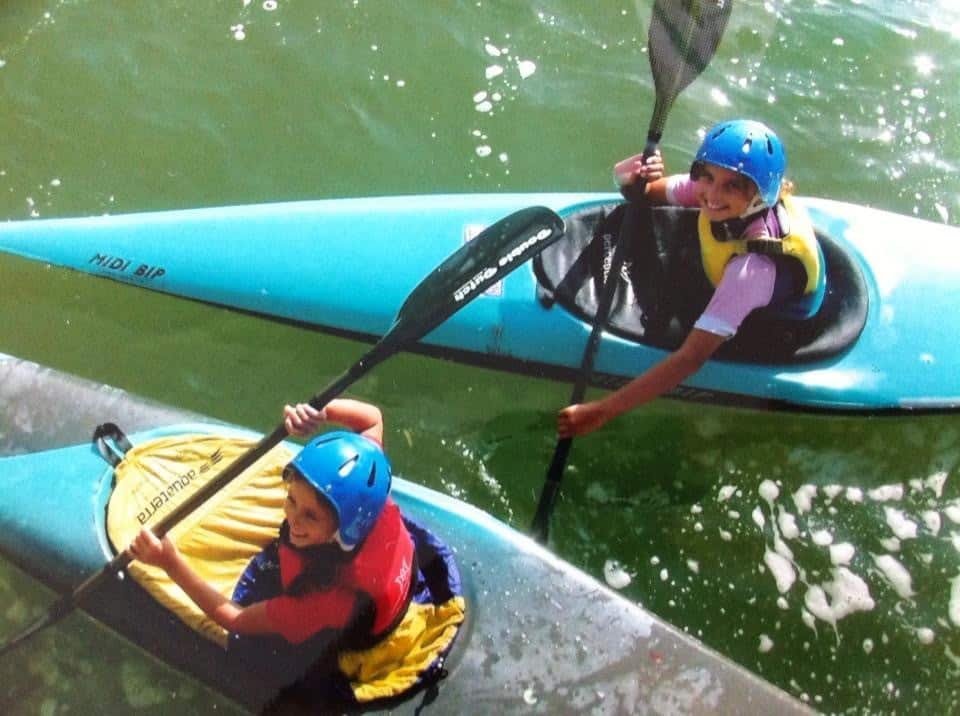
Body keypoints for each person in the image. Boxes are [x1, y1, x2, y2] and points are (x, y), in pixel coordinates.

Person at [129, 398, 416, 696]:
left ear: (342, 532)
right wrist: (320, 413)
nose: (293, 519)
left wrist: (169, 562)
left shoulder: (323, 601)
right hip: (380, 582)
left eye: (310, 516)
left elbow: (236, 619)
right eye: (291, 500)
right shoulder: (367, 486)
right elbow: (372, 419)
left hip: (350, 627)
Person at [558, 119, 823, 438]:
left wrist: (602, 411)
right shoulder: (712, 195)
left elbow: (691, 359)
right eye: (707, 177)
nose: (711, 195)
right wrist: (628, 176)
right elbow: (646, 193)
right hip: (733, 280)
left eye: (732, 186)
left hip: (772, 323)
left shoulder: (750, 270)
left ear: (759, 195)